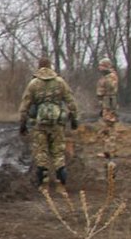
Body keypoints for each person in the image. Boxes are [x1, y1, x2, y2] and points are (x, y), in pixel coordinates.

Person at [17, 56, 79, 194]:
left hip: (40, 124)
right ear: (50, 66)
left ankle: (43, 184)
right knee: (58, 153)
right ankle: (60, 185)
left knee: (41, 153)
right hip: (57, 124)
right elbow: (71, 101)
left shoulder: (33, 84)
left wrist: (22, 124)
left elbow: (25, 105)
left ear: (39, 67)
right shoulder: (60, 82)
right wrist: (74, 119)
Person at [93, 59, 120, 166]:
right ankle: (107, 150)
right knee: (105, 129)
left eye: (102, 66)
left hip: (109, 105)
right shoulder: (106, 77)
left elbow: (110, 88)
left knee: (109, 128)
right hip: (105, 105)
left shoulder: (111, 77)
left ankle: (110, 151)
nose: (100, 68)